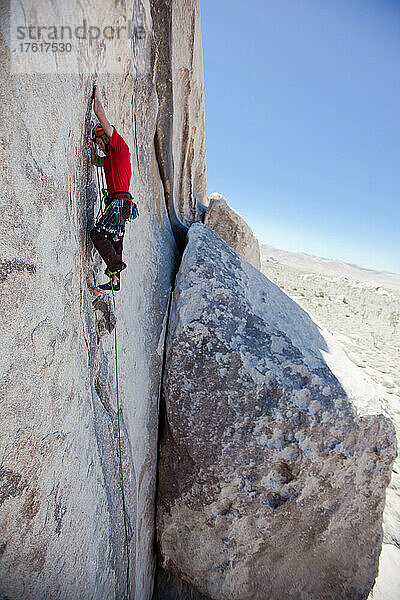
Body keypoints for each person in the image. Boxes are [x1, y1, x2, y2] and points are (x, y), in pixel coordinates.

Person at [89, 85, 133, 291]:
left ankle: (116, 267)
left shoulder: (120, 148)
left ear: (107, 138)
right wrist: (91, 149)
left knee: (98, 235)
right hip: (121, 204)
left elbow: (100, 114)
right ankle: (115, 282)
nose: (99, 146)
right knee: (115, 241)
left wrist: (96, 98)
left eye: (99, 142)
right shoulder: (110, 159)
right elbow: (97, 162)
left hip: (119, 203)